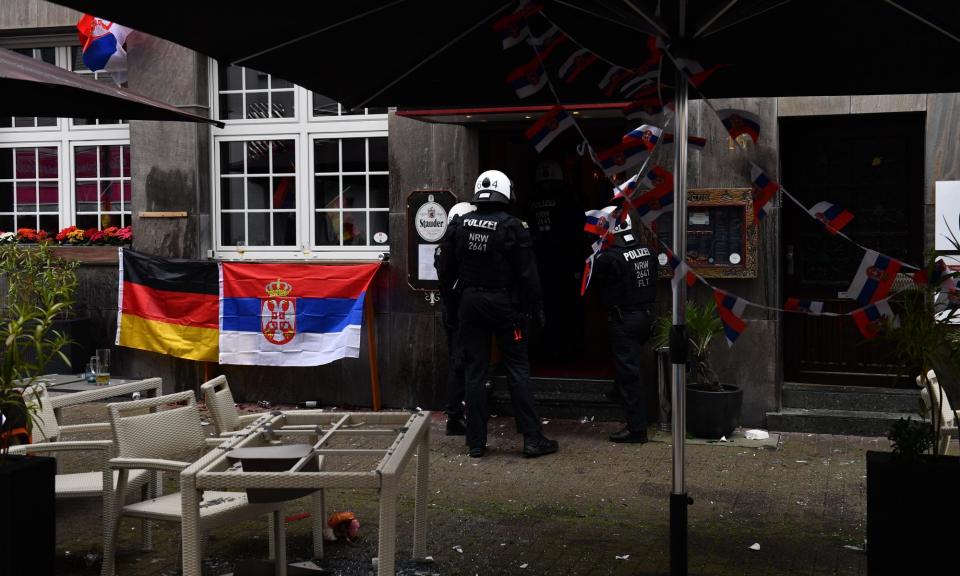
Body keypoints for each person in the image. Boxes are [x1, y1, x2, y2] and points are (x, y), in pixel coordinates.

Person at [438, 169, 559, 458]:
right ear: (506, 192)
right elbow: (528, 275)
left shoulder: (460, 225)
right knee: (517, 369)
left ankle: (476, 442)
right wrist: (536, 308)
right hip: (504, 305)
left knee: (475, 371)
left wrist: (452, 307)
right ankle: (532, 439)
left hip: (470, 302)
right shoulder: (514, 227)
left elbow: (445, 270)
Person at [590, 207, 658, 443]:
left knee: (629, 374)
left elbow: (594, 281)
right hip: (646, 316)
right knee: (629, 370)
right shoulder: (647, 251)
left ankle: (637, 429)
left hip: (624, 320)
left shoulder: (609, 257)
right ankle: (621, 395)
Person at [434, 201, 476, 436]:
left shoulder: (443, 248)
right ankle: (455, 416)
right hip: (459, 312)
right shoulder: (455, 250)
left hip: (451, 311)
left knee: (457, 361)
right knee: (460, 363)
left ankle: (456, 412)